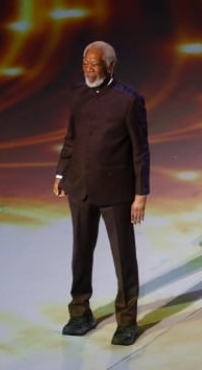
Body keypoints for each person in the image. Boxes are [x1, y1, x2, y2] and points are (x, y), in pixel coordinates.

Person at [53, 40, 150, 346]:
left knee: (123, 258)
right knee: (80, 253)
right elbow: (71, 137)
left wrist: (140, 194)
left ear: (110, 66)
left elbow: (140, 151)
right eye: (85, 64)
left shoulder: (129, 100)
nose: (89, 70)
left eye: (94, 65)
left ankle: (127, 321)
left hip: (116, 192)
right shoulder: (77, 93)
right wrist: (60, 173)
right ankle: (80, 312)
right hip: (79, 187)